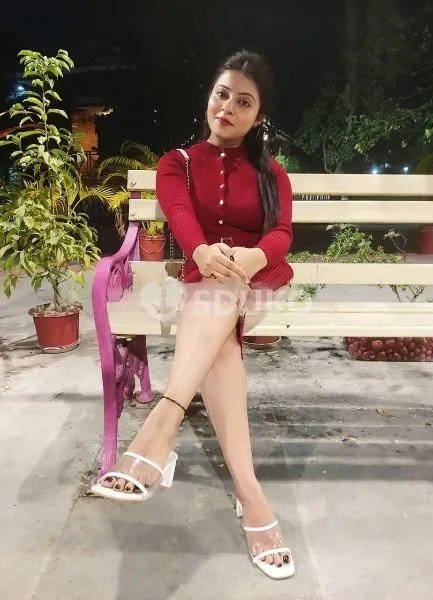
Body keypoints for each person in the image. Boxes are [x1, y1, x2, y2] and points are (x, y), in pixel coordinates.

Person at [91, 50, 295, 580]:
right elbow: (179, 214)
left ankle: (163, 424)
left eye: (244, 101)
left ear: (259, 115)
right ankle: (250, 495)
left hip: (259, 284)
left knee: (220, 298)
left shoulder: (271, 173)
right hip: (205, 286)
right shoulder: (176, 163)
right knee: (219, 336)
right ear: (210, 95)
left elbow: (282, 233)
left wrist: (253, 258)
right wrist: (202, 252)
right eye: (222, 94)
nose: (228, 107)